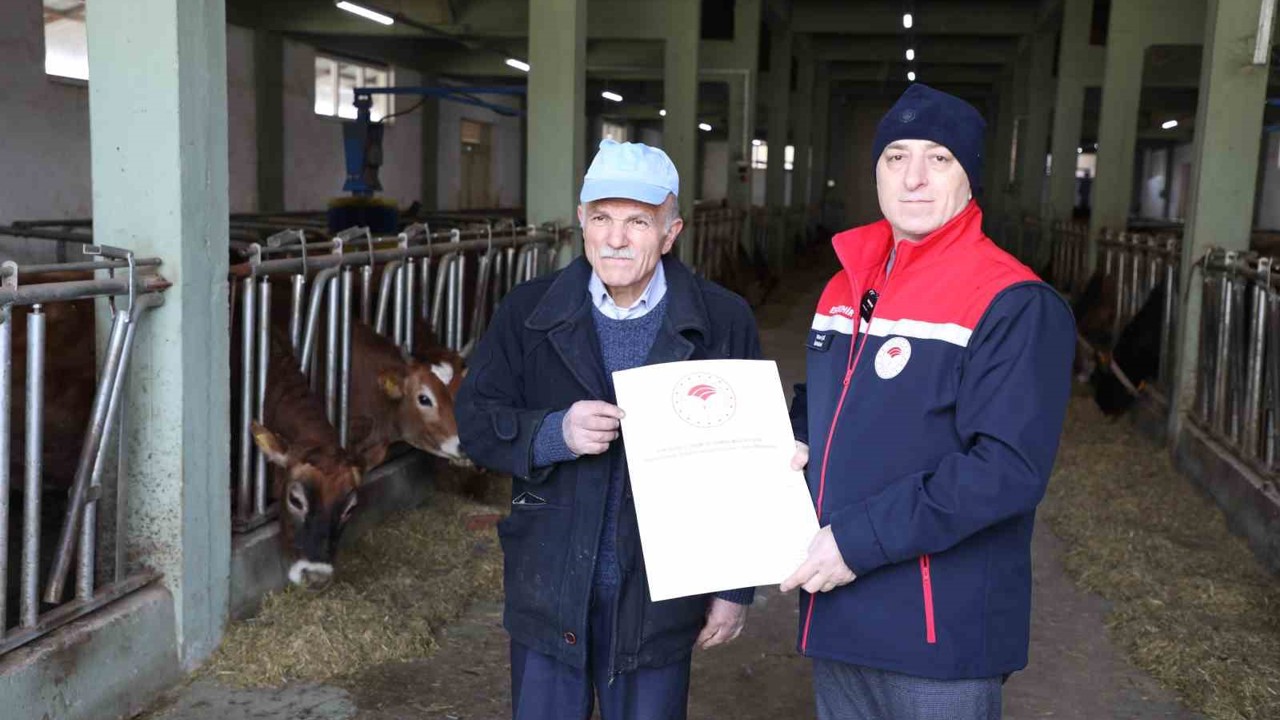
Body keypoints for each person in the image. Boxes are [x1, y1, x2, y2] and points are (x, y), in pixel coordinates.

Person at [780, 84, 1075, 719]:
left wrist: (856, 542)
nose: (913, 178)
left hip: (936, 628)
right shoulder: (844, 285)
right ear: (877, 173)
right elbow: (824, 399)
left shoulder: (1012, 301)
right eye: (895, 157)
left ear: (970, 176)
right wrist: (794, 437)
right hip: (836, 608)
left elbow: (1005, 470)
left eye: (938, 158)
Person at [456, 139, 760, 720]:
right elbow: (474, 422)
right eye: (602, 218)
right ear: (581, 222)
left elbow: (743, 465)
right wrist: (551, 433)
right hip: (549, 583)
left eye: (637, 222)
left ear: (671, 233)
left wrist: (733, 588)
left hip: (660, 596)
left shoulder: (722, 320)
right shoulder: (528, 312)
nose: (615, 238)